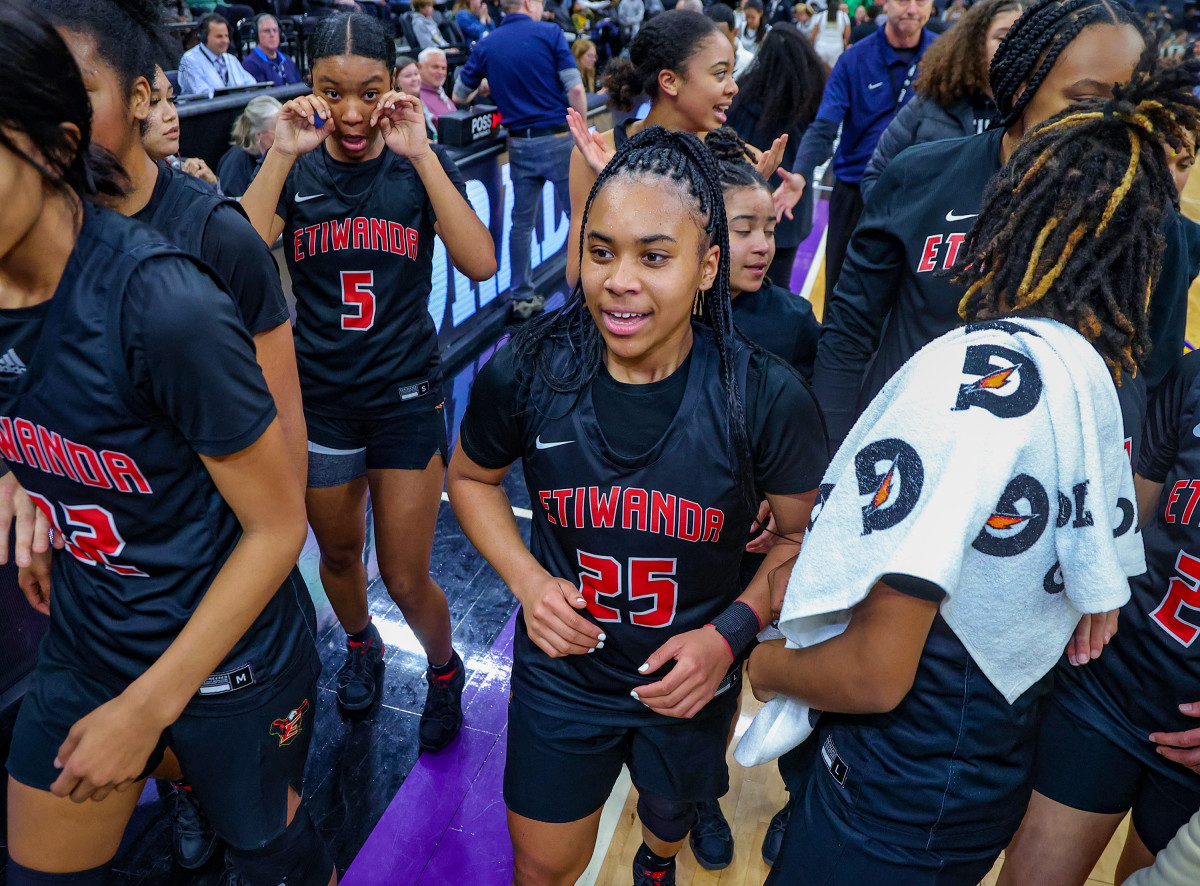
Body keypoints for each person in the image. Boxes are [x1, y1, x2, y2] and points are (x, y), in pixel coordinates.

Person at [748, 67, 1200, 886]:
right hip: (986, 767)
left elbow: (876, 672)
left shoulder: (974, 386)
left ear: (1011, 217)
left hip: (892, 791)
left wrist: (767, 666)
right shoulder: (1090, 375)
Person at [0, 5, 334, 886]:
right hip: (89, 629)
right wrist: (19, 480)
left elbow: (276, 510)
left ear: (56, 140)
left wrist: (149, 709)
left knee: (268, 854)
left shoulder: (169, 289)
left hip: (228, 650)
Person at [447, 125, 827, 886]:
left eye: (653, 256)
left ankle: (656, 865)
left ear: (705, 266)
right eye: (601, 251)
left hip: (692, 675)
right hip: (566, 676)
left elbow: (801, 541)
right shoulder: (527, 371)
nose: (619, 279)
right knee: (543, 865)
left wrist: (730, 634)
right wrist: (528, 582)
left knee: (667, 820)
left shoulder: (764, 395)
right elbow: (471, 479)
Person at [239, 14, 496, 747]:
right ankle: (362, 643)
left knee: (408, 576)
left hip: (406, 398)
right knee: (342, 557)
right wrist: (282, 156)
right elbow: (235, 255)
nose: (351, 112)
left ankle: (443, 671)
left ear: (393, 87)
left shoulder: (416, 161)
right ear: (308, 87)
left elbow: (478, 262)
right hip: (322, 401)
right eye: (331, 92)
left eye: (369, 92)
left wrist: (424, 157)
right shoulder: (296, 163)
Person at [809, 0, 1189, 452]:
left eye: (1128, 106)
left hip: (1044, 493)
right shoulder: (920, 176)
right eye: (1084, 100)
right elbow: (849, 336)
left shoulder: (1151, 224)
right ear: (1023, 86)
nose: (1107, 123)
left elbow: (1153, 378)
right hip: (899, 461)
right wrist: (824, 462)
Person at [565, 11, 797, 288]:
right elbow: (578, 276)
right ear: (670, 81)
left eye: (732, 74)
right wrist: (616, 187)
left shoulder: (740, 158)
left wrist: (745, 201)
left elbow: (738, 279)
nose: (733, 88)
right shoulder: (597, 155)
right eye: (720, 74)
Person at [788, 0, 936, 307]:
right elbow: (824, 127)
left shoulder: (945, 58)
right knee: (840, 291)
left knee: (908, 296)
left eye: (921, 1)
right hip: (854, 192)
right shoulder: (854, 59)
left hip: (920, 194)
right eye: (902, 0)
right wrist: (800, 174)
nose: (911, 8)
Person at [453, 0, 588, 320]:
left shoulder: (487, 43)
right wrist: (583, 139)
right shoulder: (550, 33)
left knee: (521, 224)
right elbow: (577, 90)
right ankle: (587, 287)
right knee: (581, 217)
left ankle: (522, 297)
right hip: (557, 140)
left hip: (519, 145)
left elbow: (459, 95)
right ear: (529, 3)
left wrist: (489, 83)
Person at [860, 0, 1024, 198]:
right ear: (975, 43)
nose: (1015, 48)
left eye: (1026, 39)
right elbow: (877, 175)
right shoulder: (930, 104)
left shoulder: (1038, 113)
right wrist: (904, 224)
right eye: (1003, 37)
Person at [728, 24, 827, 282]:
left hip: (744, 208)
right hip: (790, 211)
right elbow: (823, 148)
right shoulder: (811, 99)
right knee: (779, 288)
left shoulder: (743, 95)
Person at [143, 65, 222, 191]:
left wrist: (212, 189)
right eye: (153, 101)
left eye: (171, 99)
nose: (172, 114)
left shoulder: (184, 171)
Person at [218, 94, 282, 197]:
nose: (285, 135)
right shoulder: (236, 162)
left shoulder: (285, 156)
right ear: (259, 135)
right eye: (279, 131)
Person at [177, 13, 257, 94]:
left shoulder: (231, 59)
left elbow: (252, 84)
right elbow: (203, 95)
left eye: (226, 36)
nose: (225, 41)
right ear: (203, 37)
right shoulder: (189, 60)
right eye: (219, 36)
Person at [241, 13, 304, 86]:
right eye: (267, 31)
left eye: (275, 30)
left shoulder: (287, 60)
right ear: (256, 35)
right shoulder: (250, 64)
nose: (272, 34)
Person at [708, 3, 758, 77]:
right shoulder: (700, 61)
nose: (716, 42)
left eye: (722, 37)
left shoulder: (749, 63)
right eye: (711, 38)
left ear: (735, 32)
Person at [418, 47, 459, 124]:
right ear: (420, 67)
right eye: (435, 67)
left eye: (443, 68)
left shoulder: (440, 91)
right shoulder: (415, 96)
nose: (440, 72)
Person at [812, 0, 851, 67]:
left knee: (821, 70)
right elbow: (847, 35)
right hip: (837, 48)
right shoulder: (844, 16)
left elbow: (813, 35)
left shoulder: (820, 16)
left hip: (821, 46)